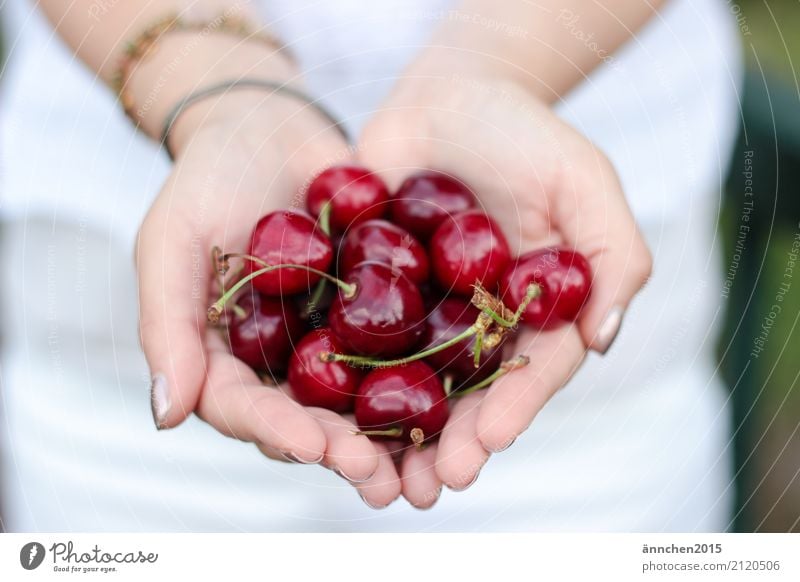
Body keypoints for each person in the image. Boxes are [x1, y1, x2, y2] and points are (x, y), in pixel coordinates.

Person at [0, 0, 741, 531]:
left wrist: (499, 64)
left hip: (588, 410)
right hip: (113, 357)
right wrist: (217, 92)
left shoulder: (454, 296)